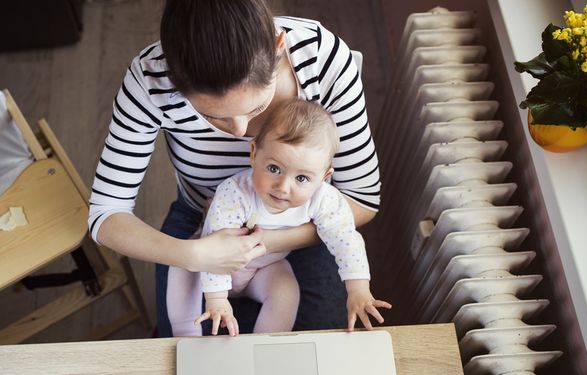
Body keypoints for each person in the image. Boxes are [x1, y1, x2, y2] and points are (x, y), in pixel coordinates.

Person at [88, 0, 381, 337]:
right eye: (214, 117)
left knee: (319, 341)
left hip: (303, 223)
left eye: (258, 106)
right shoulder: (150, 80)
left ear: (278, 48)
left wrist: (264, 241)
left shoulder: (322, 59)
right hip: (200, 220)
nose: (242, 134)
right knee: (186, 345)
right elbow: (105, 214)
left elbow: (362, 199)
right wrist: (194, 253)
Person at [170, 99, 390, 336]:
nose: (283, 187)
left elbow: (345, 238)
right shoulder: (235, 192)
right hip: (212, 262)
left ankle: (265, 344)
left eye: (302, 179)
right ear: (254, 153)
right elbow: (216, 247)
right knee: (181, 267)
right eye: (274, 169)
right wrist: (217, 299)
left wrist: (358, 289)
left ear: (324, 177)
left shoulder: (325, 199)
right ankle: (184, 336)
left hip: (264, 268)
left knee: (286, 291)